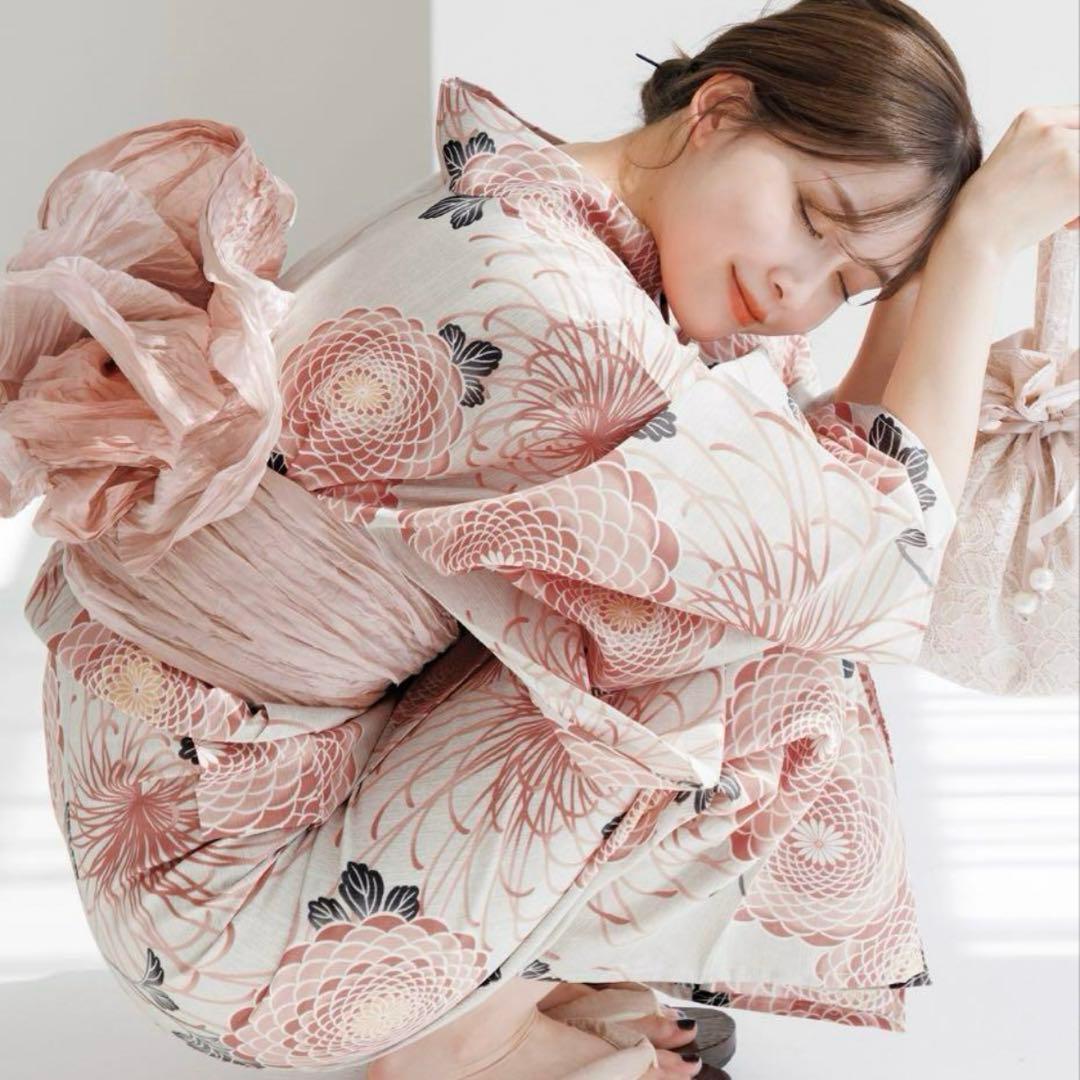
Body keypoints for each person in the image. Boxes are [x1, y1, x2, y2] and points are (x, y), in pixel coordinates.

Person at [1, 1, 1076, 1078]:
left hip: (219, 850)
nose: (800, 286)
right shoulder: (547, 306)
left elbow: (833, 495)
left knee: (710, 591)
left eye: (846, 284)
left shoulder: (526, 211)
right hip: (236, 934)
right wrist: (977, 250)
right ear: (719, 108)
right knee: (768, 650)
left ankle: (494, 981)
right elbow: (869, 565)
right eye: (810, 213)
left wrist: (919, 274)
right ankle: (459, 1045)